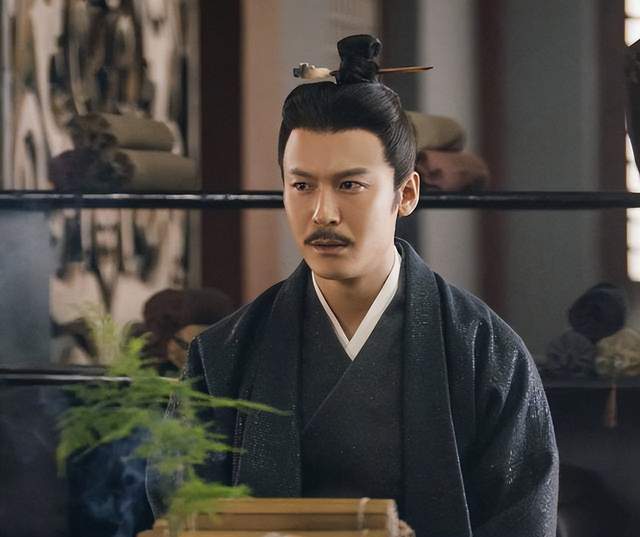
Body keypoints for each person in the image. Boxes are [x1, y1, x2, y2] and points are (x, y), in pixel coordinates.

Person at [147, 34, 559, 537]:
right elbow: (181, 512)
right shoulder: (224, 354)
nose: (323, 213)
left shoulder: (484, 352)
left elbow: (522, 519)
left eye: (350, 185)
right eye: (302, 185)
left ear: (406, 194)